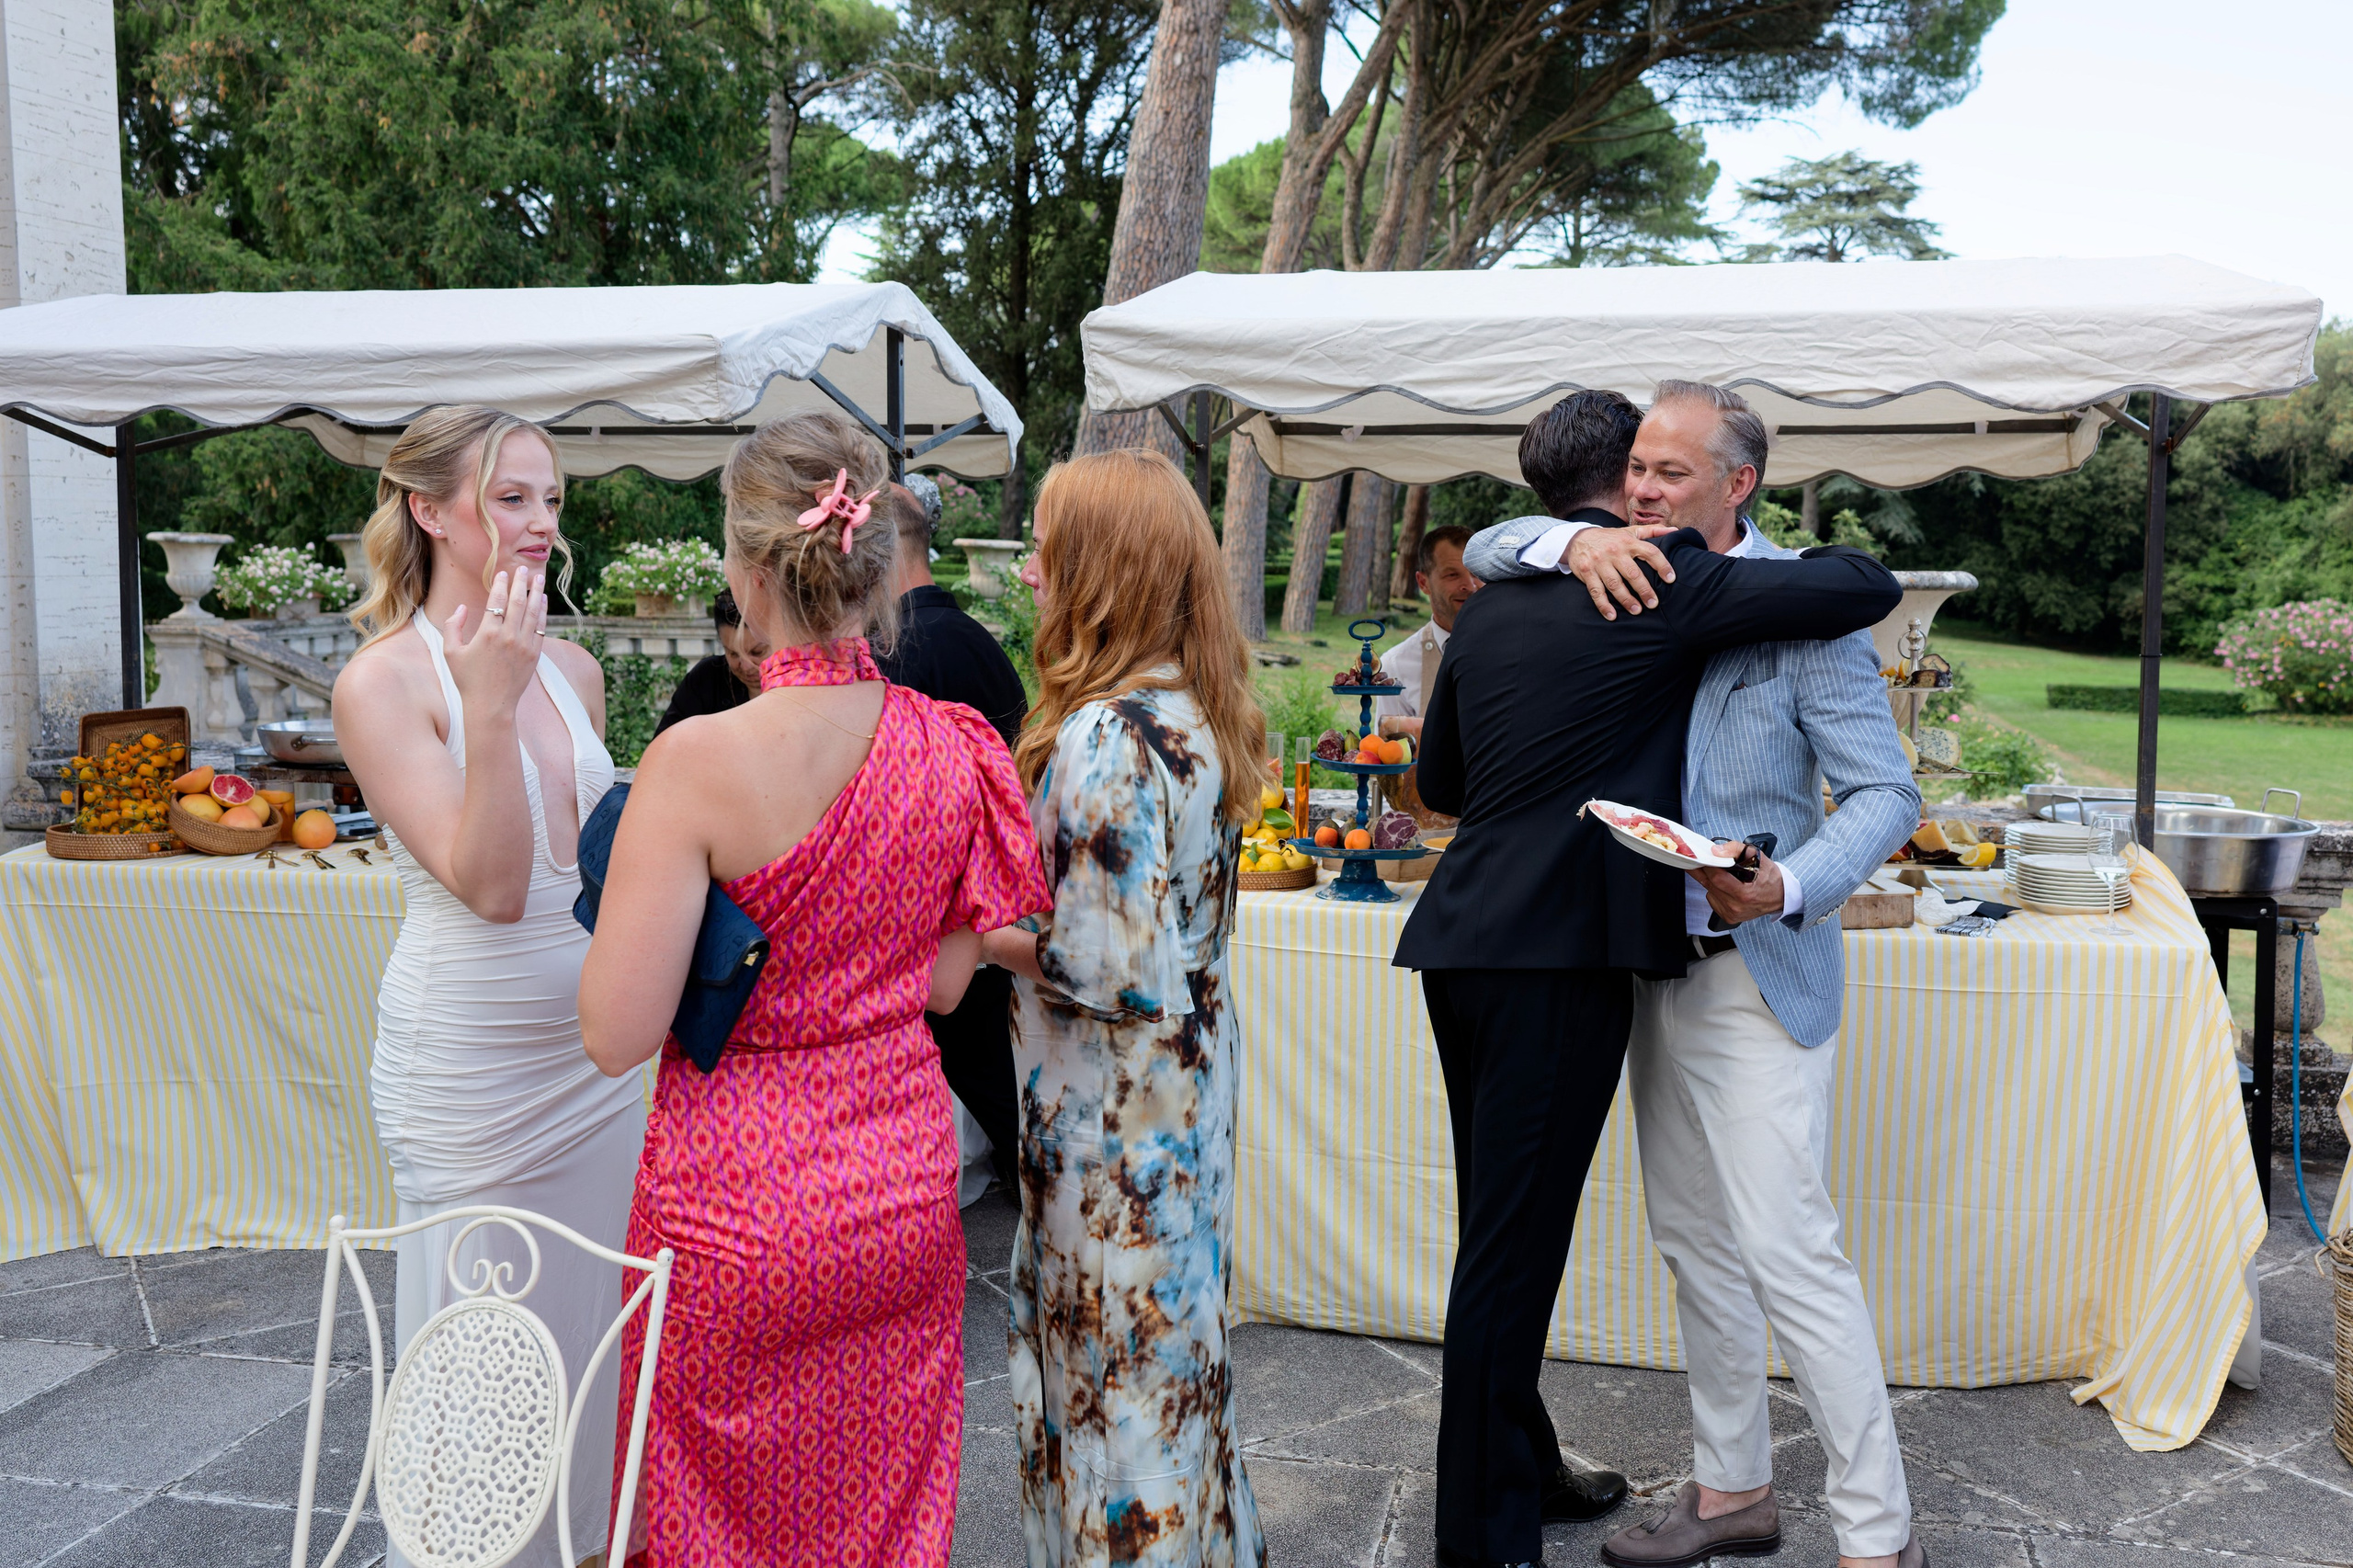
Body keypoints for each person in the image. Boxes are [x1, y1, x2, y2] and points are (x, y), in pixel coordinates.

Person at [1393, 391, 1904, 1568]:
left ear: (1740, 484)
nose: (1643, 490)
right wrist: (1563, 538)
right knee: (1691, 1240)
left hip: (1756, 964)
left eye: (1672, 471)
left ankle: (1880, 1534)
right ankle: (1731, 1491)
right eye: (1634, 467)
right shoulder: (1602, 570)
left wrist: (1787, 885)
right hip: (1640, 964)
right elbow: (1484, 551)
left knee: (1788, 1245)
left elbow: (1886, 790)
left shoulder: (1776, 602)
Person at [577, 411, 1051, 1568]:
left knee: (719, 1514)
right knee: (881, 1516)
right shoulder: (955, 748)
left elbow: (617, 1031)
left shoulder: (697, 760)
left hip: (735, 1197)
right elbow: (946, 988)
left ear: (745, 569)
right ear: (878, 568)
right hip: (895, 1191)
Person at [333, 404, 644, 1568]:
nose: (538, 522)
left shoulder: (575, 666)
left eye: (549, 498)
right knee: (480, 1365)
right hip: (471, 1068)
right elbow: (495, 886)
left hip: (601, 1061)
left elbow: (597, 867)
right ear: (430, 509)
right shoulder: (383, 682)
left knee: (596, 1345)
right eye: (511, 498)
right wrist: (492, 703)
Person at [977, 449, 1268, 1568]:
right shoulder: (1190, 705)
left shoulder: (1106, 731)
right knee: (1172, 1375)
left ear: (1100, 564)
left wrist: (958, 924)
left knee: (1119, 1390)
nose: (1032, 572)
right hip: (1177, 1103)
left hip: (1114, 1125)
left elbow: (1097, 962)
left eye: (1049, 547)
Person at [873, 473, 1031, 1190]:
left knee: (981, 1073)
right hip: (998, 888)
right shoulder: (980, 641)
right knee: (994, 1071)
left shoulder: (901, 653)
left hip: (943, 909)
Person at [1373, 523, 1481, 738]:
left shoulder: (1517, 648)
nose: (1470, 585)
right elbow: (1391, 763)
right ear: (1423, 583)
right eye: (1452, 575)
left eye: (1477, 572)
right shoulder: (1396, 667)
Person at [652, 588, 768, 736]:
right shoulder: (707, 678)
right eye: (733, 654)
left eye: (756, 652)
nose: (745, 666)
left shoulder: (799, 684)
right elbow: (664, 742)